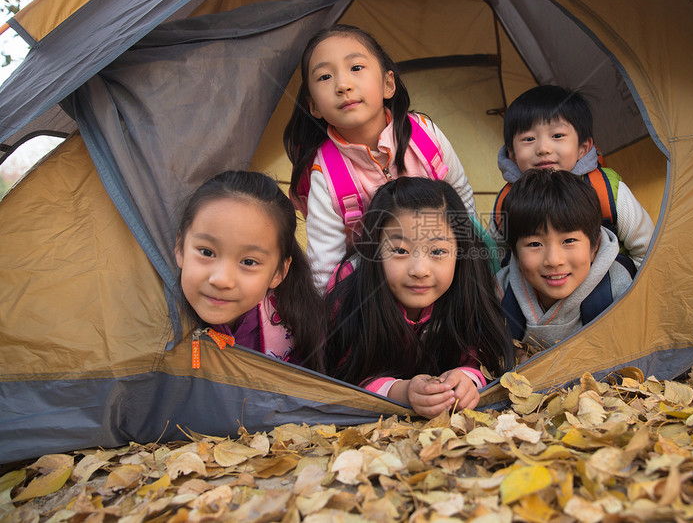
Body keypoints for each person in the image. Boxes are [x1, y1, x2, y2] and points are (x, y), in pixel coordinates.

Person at [284, 24, 476, 291]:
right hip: (374, 292)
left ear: (388, 84)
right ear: (313, 105)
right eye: (325, 77)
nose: (343, 85)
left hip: (442, 276)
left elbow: (462, 199)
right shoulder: (324, 174)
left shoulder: (425, 136)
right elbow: (325, 270)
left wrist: (472, 273)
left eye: (356, 68)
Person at [324, 177, 513, 417]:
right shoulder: (350, 297)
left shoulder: (469, 293)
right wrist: (401, 392)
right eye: (400, 250)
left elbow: (482, 357)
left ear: (460, 253)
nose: (420, 270)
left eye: (437, 251)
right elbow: (343, 375)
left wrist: (466, 379)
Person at [174, 170, 325, 370]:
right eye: (206, 252)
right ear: (180, 248)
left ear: (279, 271)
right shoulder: (149, 324)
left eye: (248, 262)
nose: (221, 280)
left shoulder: (298, 330)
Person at [492, 85, 654, 268]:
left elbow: (648, 250)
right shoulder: (508, 200)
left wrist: (626, 292)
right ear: (512, 153)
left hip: (609, 292)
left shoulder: (606, 191)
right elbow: (495, 254)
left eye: (558, 135)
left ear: (583, 148)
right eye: (529, 139)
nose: (543, 148)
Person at [496, 168, 634, 352]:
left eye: (569, 241)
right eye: (535, 244)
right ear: (515, 255)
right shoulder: (500, 292)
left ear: (594, 247)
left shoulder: (619, 287)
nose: (554, 260)